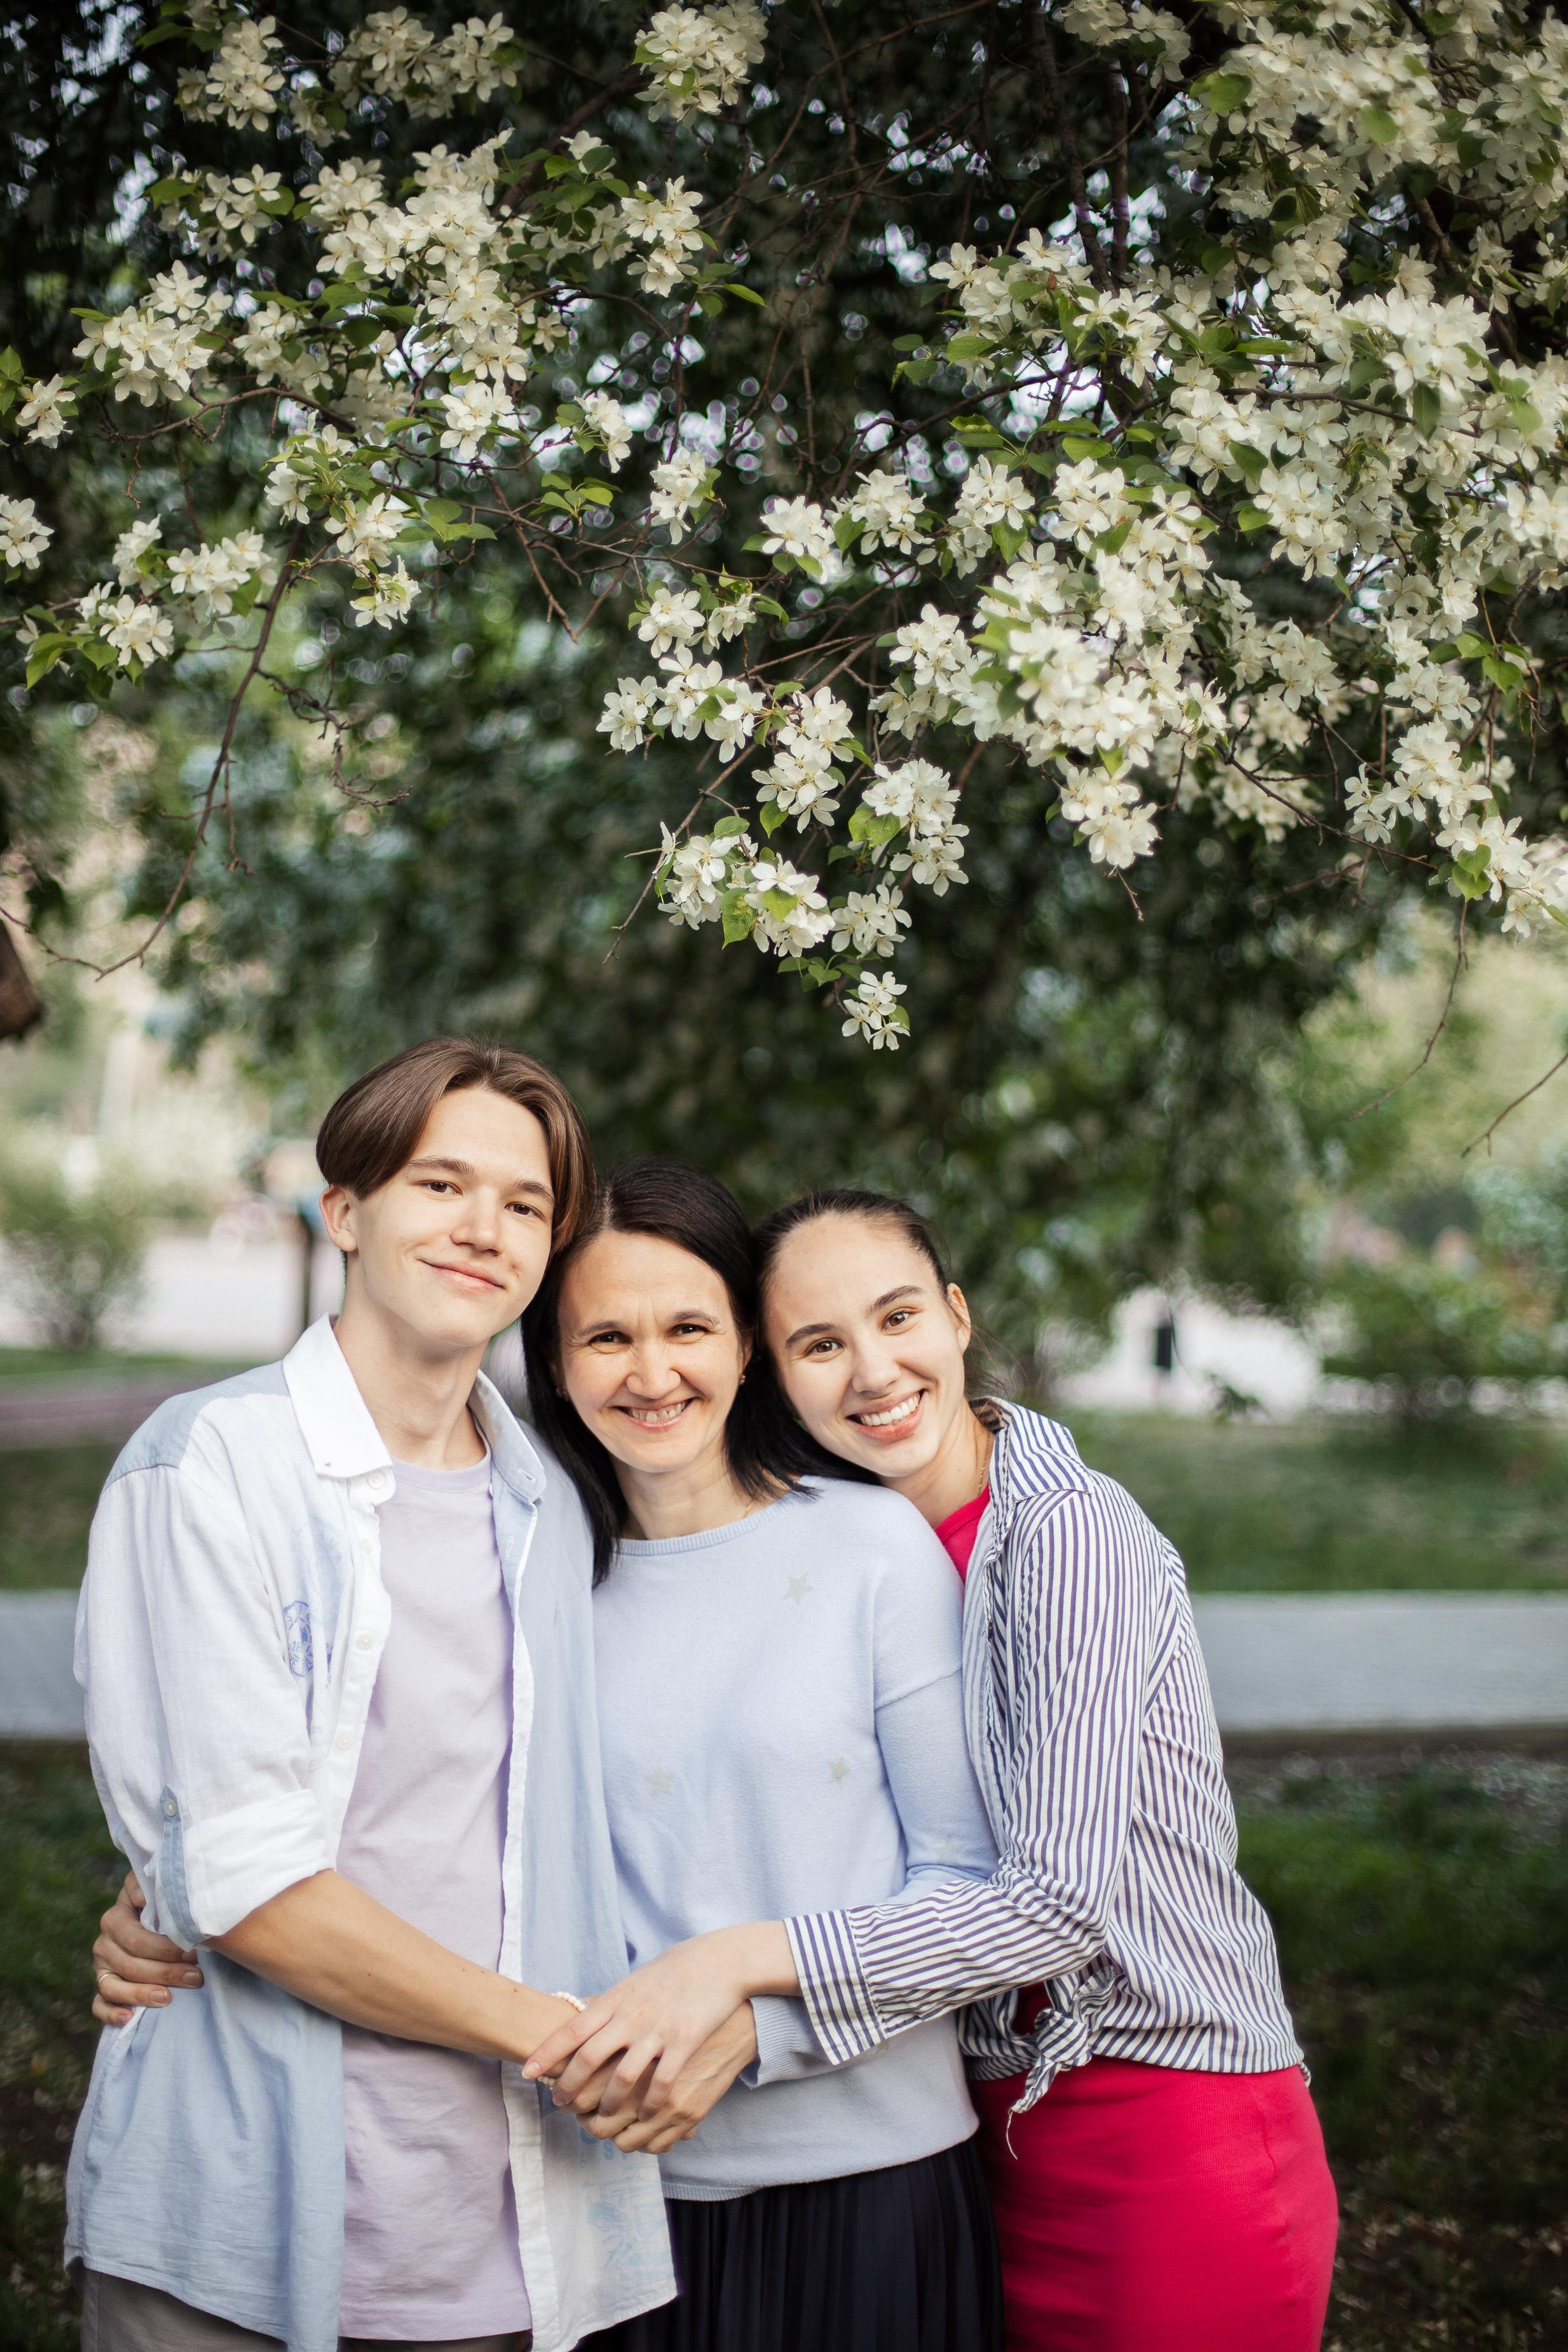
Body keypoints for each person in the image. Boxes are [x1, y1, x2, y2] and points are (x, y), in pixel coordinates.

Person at [529, 1189, 1340, 2352]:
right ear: (780, 1369)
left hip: (1158, 2110)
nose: (871, 1372)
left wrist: (739, 1967)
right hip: (996, 2122)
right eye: (821, 1343)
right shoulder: (887, 1536)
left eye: (897, 1317)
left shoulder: (1060, 1537)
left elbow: (1055, 1903)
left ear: (958, 1318)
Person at [68, 1039, 706, 2352]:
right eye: (440, 1184)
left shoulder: (550, 1500)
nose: (485, 1227)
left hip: (503, 2233)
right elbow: (247, 1875)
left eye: (525, 1203)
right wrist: (562, 2036)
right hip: (237, 2217)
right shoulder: (211, 1466)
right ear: (344, 1210)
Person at [519, 1159, 1004, 2351]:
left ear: (747, 1348)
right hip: (615, 2199)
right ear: (554, 1364)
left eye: (688, 1326)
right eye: (605, 1338)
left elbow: (969, 1884)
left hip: (873, 2186)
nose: (650, 1373)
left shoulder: (871, 1550)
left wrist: (765, 2026)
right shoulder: (530, 1577)